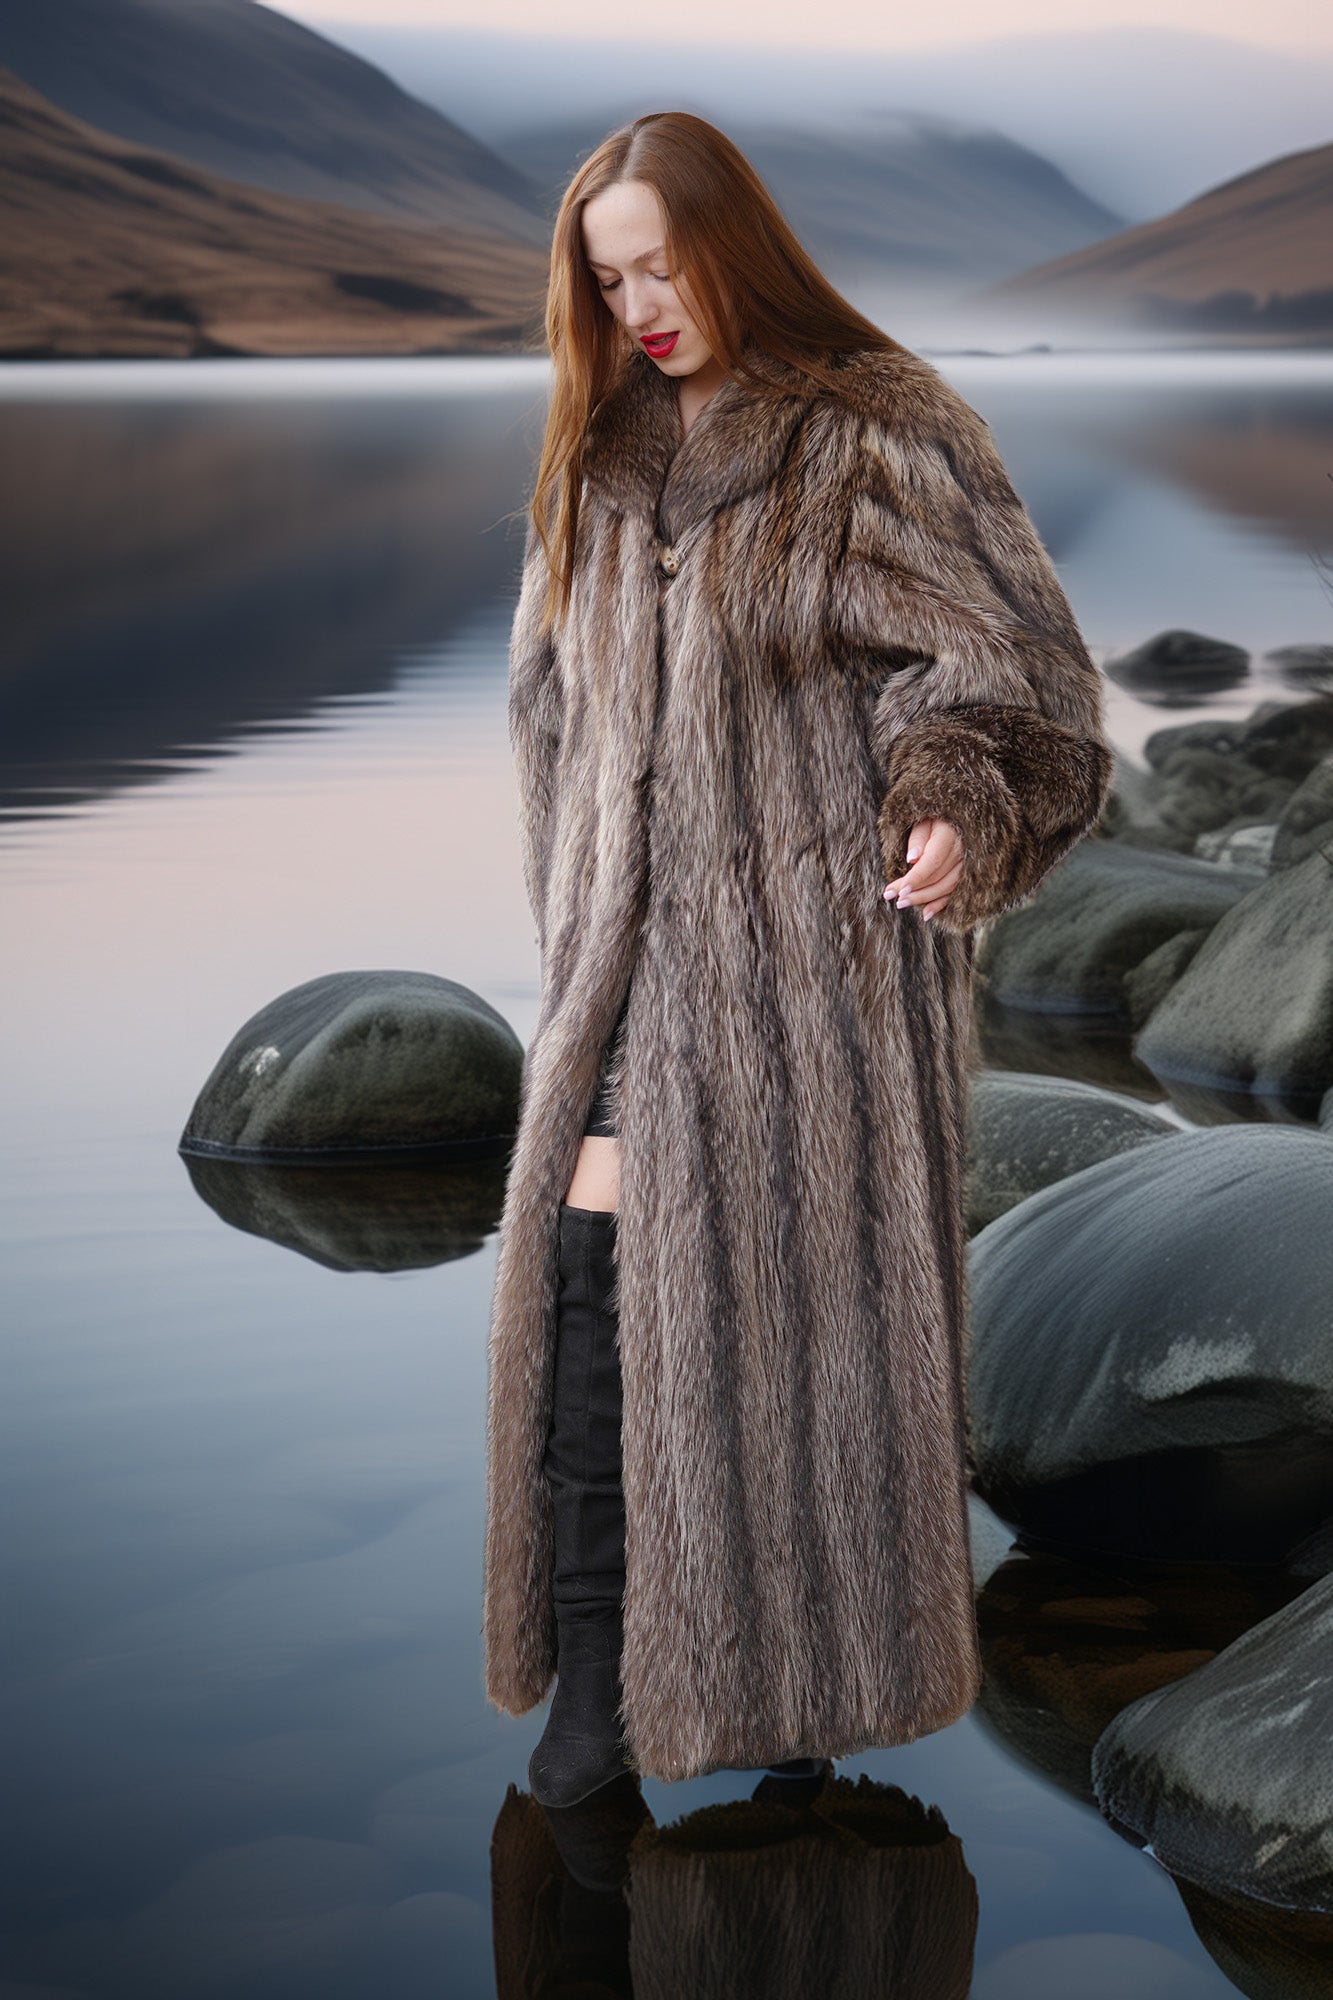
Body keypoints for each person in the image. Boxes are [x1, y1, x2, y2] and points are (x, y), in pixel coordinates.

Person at [483, 110, 1114, 1810]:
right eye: (607, 283)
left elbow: (1010, 672)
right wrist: (572, 910)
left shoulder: (873, 430)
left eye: (660, 269)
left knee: (802, 1336)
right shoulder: (594, 455)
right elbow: (546, 707)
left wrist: (953, 796)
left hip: (814, 971)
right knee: (594, 1281)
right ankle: (596, 1701)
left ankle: (797, 1701)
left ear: (732, 248)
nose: (639, 311)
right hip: (619, 968)